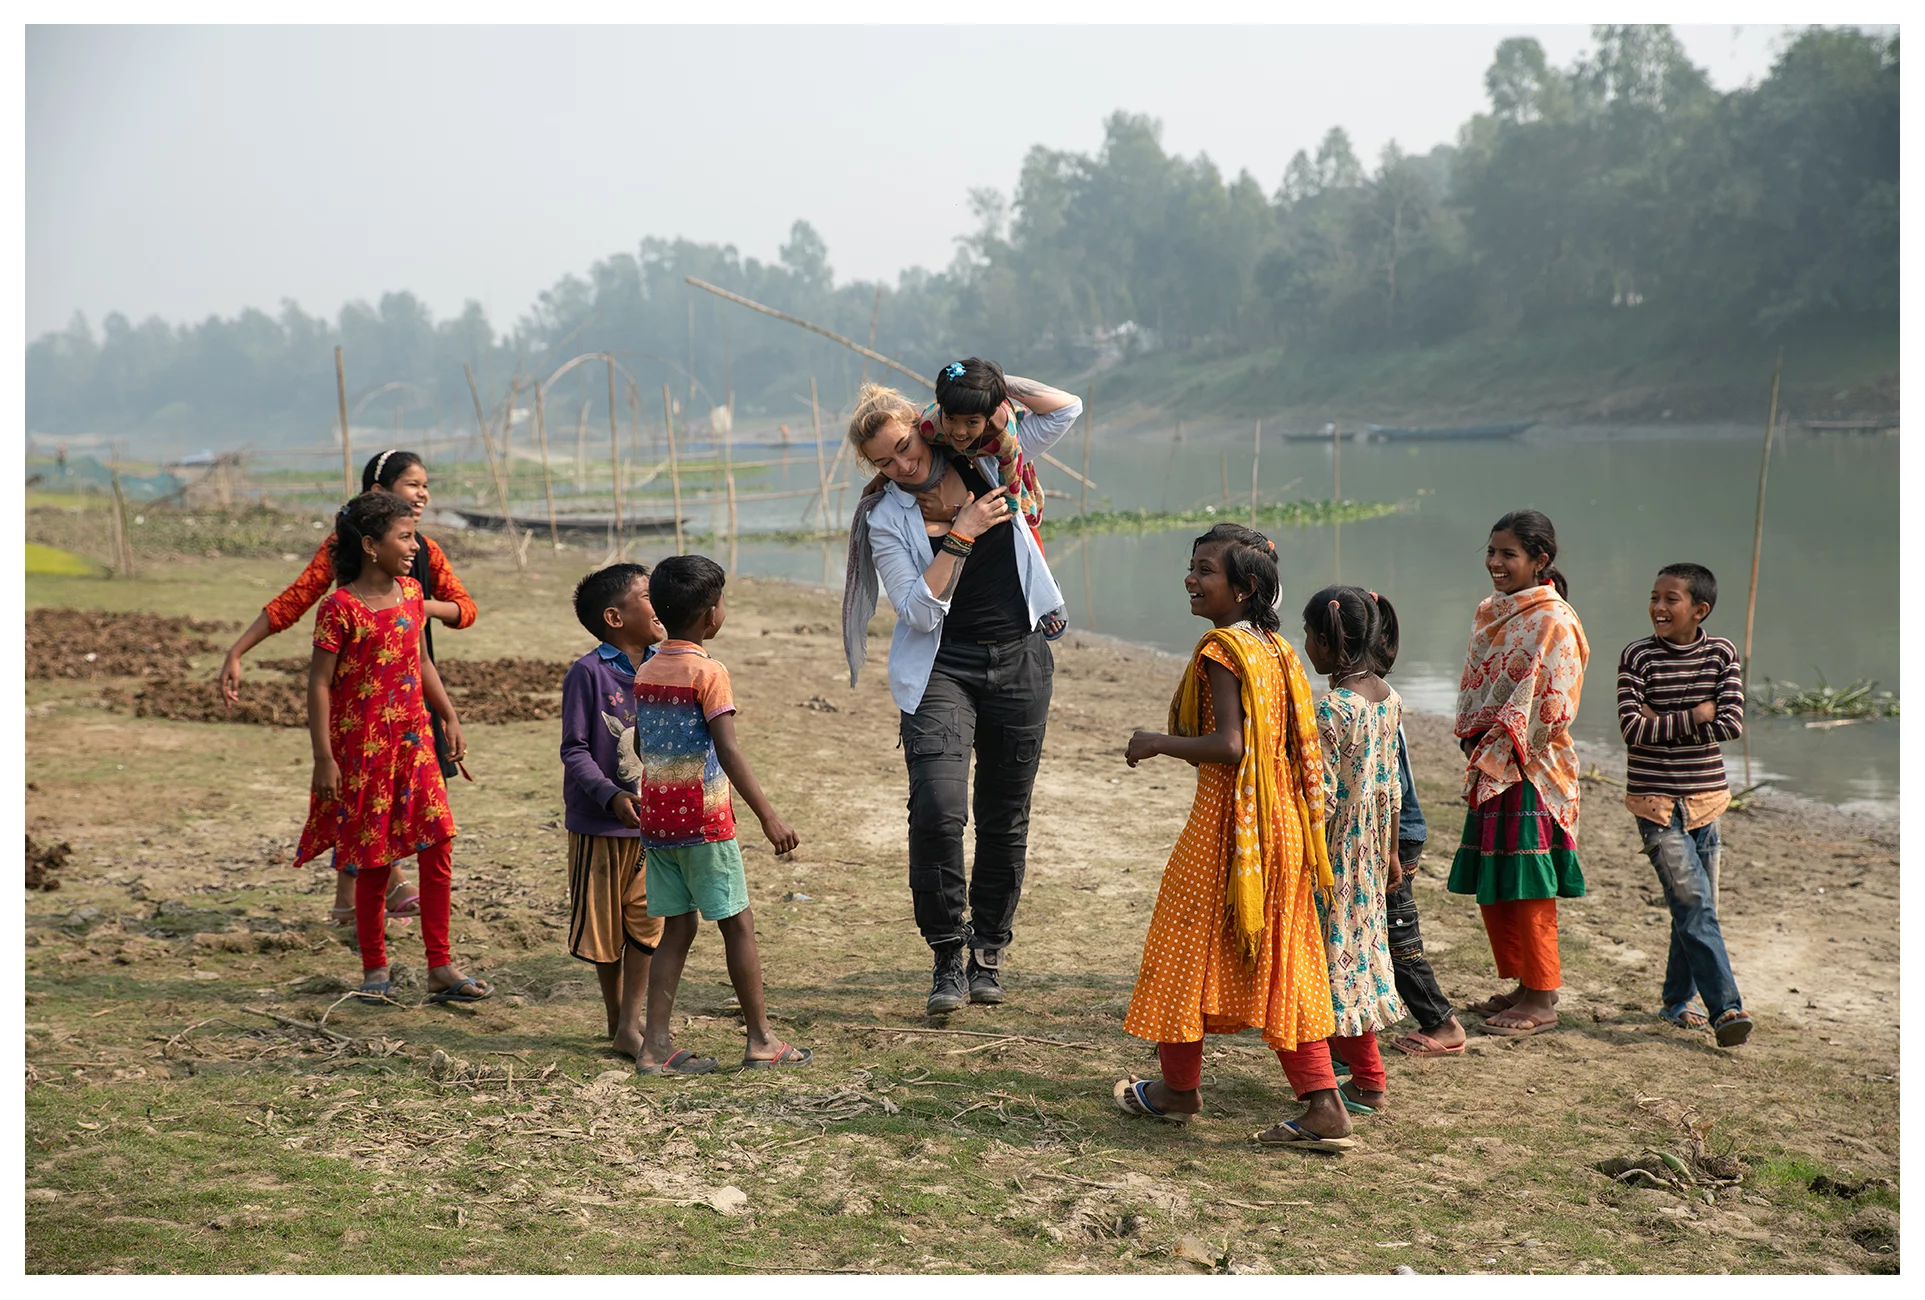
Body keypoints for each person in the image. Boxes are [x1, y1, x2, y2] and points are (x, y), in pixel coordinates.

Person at [840, 376, 1082, 1015]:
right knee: (939, 810)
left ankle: (988, 952)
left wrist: (992, 386)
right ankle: (947, 953)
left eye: (902, 446)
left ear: (925, 427)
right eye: (882, 462)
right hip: (942, 668)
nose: (900, 465)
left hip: (1021, 658)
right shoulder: (885, 517)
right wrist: (964, 531)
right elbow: (919, 612)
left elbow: (1066, 409)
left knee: (1005, 814)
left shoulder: (986, 455)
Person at [1114, 524, 1356, 1154]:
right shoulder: (1278, 650)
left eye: (1205, 570)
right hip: (1282, 827)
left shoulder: (1222, 650)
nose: (1191, 579)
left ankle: (1177, 1091)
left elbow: (1229, 746)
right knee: (1284, 958)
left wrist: (1157, 741)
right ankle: (1324, 1104)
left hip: (1229, 828)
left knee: (1180, 946)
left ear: (1245, 587)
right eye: (1191, 567)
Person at [221, 449, 478, 928]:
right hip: (359, 701)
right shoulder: (341, 566)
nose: (422, 495)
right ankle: (374, 900)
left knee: (404, 800)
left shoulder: (423, 553)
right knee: (366, 804)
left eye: (426, 487)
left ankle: (364, 899)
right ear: (378, 495)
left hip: (411, 691)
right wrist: (238, 650)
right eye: (412, 486)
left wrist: (425, 610)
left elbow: (465, 609)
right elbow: (294, 601)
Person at [292, 491, 489, 1006]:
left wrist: (447, 713)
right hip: (360, 751)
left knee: (438, 842)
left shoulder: (410, 594)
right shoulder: (338, 608)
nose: (413, 545)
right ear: (369, 545)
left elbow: (420, 659)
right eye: (404, 537)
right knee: (373, 857)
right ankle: (375, 967)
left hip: (415, 741)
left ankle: (440, 966)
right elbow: (317, 684)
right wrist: (323, 758)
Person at [631, 555, 810, 1074]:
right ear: (712, 614)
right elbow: (728, 751)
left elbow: (643, 742)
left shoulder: (647, 668)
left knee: (677, 929)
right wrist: (768, 816)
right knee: (738, 925)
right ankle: (760, 1040)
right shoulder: (709, 672)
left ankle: (655, 1045)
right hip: (704, 823)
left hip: (659, 823)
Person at [1448, 509, 1589, 1037]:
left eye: (1508, 554)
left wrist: (1503, 740)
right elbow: (1476, 682)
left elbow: (1553, 705)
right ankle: (1525, 984)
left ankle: (1543, 997)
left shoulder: (1553, 619)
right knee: (1501, 876)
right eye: (1492, 552)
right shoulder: (1492, 611)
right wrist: (1481, 739)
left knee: (1530, 882)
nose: (1496, 563)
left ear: (1540, 560)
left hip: (1530, 766)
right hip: (1491, 758)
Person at [1617, 562, 1753, 1047]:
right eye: (1655, 596)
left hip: (1708, 801)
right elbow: (1632, 729)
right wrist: (1697, 712)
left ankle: (1676, 1001)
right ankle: (1726, 1009)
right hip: (1654, 805)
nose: (1658, 607)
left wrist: (1663, 717)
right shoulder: (1637, 656)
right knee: (1694, 902)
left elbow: (1732, 724)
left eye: (1670, 599)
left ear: (1700, 610)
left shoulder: (1721, 654)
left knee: (1694, 905)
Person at [1298, 586, 1405, 1116]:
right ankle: (1365, 1075)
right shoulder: (1388, 697)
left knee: (1323, 964)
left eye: (1308, 635)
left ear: (1327, 641)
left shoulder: (1334, 708)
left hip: (1332, 855)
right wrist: (1389, 857)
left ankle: (1364, 1077)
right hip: (1368, 854)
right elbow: (1391, 789)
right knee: (1355, 956)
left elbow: (1316, 796)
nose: (1305, 647)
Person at [562, 562, 670, 1060]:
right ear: (614, 616)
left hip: (657, 825)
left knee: (648, 922)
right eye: (648, 595)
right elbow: (575, 749)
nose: (659, 602)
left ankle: (631, 1022)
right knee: (604, 932)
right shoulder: (587, 673)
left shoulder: (667, 663)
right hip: (600, 824)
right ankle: (616, 1018)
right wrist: (609, 795)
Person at [1370, 605, 1468, 1058]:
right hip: (1389, 832)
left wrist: (1390, 850)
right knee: (1375, 927)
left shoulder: (1373, 705)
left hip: (1394, 834)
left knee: (1397, 930)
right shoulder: (1378, 697)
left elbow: (1390, 788)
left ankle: (1441, 1023)